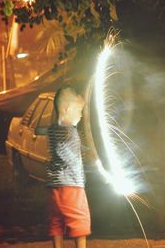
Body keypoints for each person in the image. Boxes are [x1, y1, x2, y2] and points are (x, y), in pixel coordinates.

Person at [46, 86, 90, 248]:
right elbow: (64, 151)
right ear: (67, 108)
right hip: (71, 185)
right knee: (80, 222)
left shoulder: (53, 130)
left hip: (54, 186)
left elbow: (64, 149)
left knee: (57, 222)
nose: (80, 115)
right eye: (79, 110)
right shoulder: (68, 132)